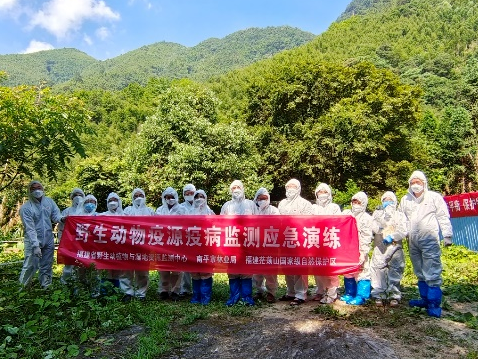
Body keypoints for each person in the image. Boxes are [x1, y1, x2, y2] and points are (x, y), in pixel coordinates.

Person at [400, 170, 453, 317]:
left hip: (429, 239)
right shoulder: (406, 200)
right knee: (419, 270)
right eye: (413, 182)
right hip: (412, 240)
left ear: (424, 183)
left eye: (418, 182)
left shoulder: (433, 197)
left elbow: (443, 216)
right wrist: (401, 234)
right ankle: (424, 299)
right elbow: (401, 219)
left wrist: (447, 234)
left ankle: (434, 303)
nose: (416, 185)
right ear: (409, 184)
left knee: (432, 269)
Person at [19, 180, 64, 289]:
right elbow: (30, 228)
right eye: (33, 189)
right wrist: (35, 245)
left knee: (47, 264)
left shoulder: (49, 202)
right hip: (33, 240)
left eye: (39, 187)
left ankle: (46, 286)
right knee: (30, 265)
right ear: (29, 191)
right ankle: (23, 288)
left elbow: (55, 216)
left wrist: (62, 219)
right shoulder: (26, 208)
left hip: (48, 238)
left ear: (43, 189)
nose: (37, 190)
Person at [221, 180, 257, 306]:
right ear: (230, 190)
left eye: (238, 187)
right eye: (233, 187)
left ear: (243, 188)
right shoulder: (226, 206)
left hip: (247, 242)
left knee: (247, 271)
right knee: (233, 271)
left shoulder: (250, 204)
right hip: (231, 243)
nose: (236, 189)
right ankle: (234, 296)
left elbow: (258, 222)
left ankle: (246, 297)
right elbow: (221, 224)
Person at [277, 178, 313, 306]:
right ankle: (290, 292)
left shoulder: (305, 204)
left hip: (300, 240)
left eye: (293, 187)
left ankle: (300, 294)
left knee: (299, 267)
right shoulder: (282, 203)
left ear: (298, 189)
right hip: (285, 238)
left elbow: (309, 222)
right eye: (288, 187)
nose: (290, 189)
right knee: (287, 266)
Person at [370, 191, 407, 307]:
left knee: (395, 269)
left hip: (395, 246)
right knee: (378, 269)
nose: (388, 202)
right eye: (385, 200)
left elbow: (404, 230)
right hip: (380, 246)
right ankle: (379, 295)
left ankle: (393, 295)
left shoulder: (399, 215)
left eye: (390, 199)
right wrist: (379, 222)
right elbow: (374, 227)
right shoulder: (378, 214)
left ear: (395, 201)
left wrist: (393, 236)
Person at [120, 188, 155, 302]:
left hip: (144, 245)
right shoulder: (127, 210)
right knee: (126, 270)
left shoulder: (150, 211)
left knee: (143, 271)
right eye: (136, 196)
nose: (138, 197)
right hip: (129, 244)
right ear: (132, 198)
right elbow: (121, 224)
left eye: (141, 195)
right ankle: (127, 293)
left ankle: (141, 294)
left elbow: (157, 226)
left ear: (145, 197)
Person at [340, 191, 373, 305]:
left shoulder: (366, 218)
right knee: (348, 271)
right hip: (347, 249)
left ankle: (361, 296)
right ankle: (350, 293)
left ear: (363, 203)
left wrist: (363, 252)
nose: (355, 204)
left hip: (360, 248)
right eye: (354, 202)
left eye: (358, 202)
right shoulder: (347, 214)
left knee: (362, 271)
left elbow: (367, 236)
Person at [311, 183, 341, 304]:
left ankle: (332, 293)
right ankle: (321, 291)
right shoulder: (313, 208)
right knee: (318, 268)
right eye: (320, 192)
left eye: (325, 192)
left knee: (330, 269)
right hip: (316, 241)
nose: (322, 194)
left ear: (329, 194)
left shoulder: (334, 207)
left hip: (330, 240)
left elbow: (339, 222)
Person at [156, 187, 187, 301]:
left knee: (177, 269)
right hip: (162, 243)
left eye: (172, 197)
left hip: (177, 242)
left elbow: (188, 224)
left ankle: (175, 291)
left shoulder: (183, 210)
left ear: (176, 197)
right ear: (164, 198)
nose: (170, 199)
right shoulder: (159, 210)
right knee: (163, 268)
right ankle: (164, 290)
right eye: (167, 197)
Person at [252, 187, 280, 304]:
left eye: (265, 198)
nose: (262, 200)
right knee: (256, 269)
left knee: (270, 270)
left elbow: (278, 224)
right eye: (260, 198)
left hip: (270, 244)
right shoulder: (253, 210)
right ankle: (259, 290)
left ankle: (271, 293)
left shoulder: (274, 210)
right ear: (256, 199)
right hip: (255, 243)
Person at [190, 189, 215, 305]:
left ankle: (205, 296)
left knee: (206, 271)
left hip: (206, 246)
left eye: (201, 196)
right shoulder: (189, 212)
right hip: (193, 246)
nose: (199, 199)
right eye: (196, 197)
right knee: (195, 272)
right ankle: (196, 295)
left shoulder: (210, 212)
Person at [59, 188, 85, 285]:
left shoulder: (86, 211)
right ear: (71, 198)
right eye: (75, 195)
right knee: (69, 265)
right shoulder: (66, 211)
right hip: (69, 241)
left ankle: (80, 285)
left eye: (80, 195)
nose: (78, 197)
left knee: (82, 265)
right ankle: (66, 283)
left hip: (83, 242)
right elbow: (61, 227)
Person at [99, 192, 124, 291]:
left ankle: (117, 289)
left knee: (119, 268)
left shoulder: (125, 215)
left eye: (115, 200)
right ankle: (105, 290)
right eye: (110, 200)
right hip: (106, 246)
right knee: (106, 267)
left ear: (119, 202)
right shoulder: (102, 215)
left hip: (121, 246)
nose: (113, 202)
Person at [179, 183, 196, 297]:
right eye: (187, 193)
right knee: (184, 265)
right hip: (184, 239)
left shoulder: (201, 204)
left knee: (196, 263)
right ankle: (185, 289)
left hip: (197, 239)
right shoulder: (179, 207)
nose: (189, 195)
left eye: (191, 193)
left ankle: (197, 289)